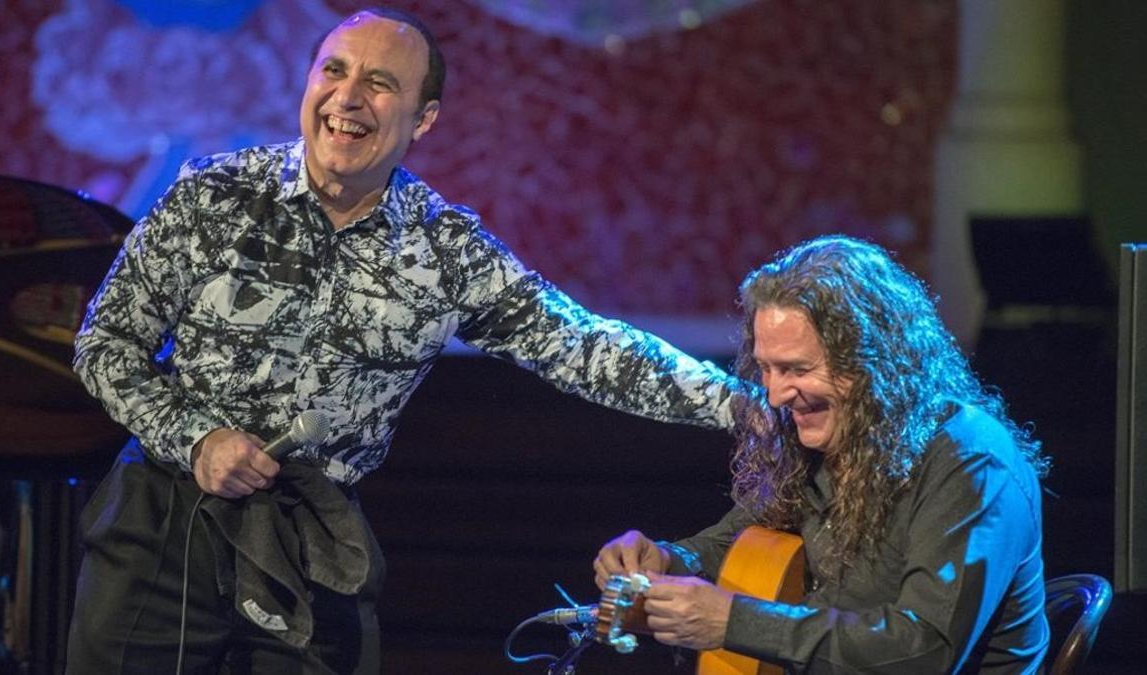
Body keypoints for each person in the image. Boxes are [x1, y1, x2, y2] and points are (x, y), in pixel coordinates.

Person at [65, 6, 740, 675]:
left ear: (423, 119)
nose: (347, 98)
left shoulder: (445, 248)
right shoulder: (212, 193)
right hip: (164, 522)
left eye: (380, 83)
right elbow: (105, 342)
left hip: (312, 541)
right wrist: (198, 437)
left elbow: (585, 345)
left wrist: (741, 404)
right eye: (333, 70)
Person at [594, 235, 1051, 673]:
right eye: (766, 368)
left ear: (875, 362)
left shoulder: (971, 462)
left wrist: (732, 622)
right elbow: (738, 544)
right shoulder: (817, 440)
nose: (774, 395)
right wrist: (667, 562)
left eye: (796, 369)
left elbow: (922, 653)